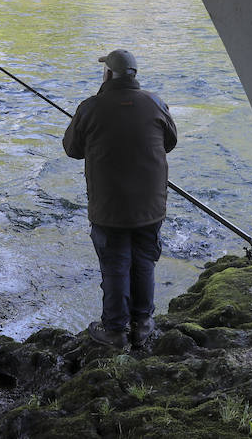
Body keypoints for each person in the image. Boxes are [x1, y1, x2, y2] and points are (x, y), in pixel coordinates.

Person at [63, 48, 178, 349]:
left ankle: (114, 329)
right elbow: (170, 142)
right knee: (143, 261)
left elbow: (72, 149)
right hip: (151, 206)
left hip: (109, 208)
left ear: (108, 74)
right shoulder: (155, 103)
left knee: (115, 263)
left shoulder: (90, 108)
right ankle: (142, 325)